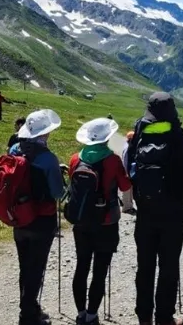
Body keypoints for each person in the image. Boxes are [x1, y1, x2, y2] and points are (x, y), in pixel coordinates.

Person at [125, 92, 183, 325]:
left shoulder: (140, 134)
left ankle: (144, 317)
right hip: (173, 212)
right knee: (168, 266)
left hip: (145, 211)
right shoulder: (181, 139)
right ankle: (164, 317)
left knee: (145, 266)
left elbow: (129, 166)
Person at [68, 118, 133, 325]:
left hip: (81, 222)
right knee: (100, 270)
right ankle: (92, 314)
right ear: (106, 139)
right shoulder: (113, 160)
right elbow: (125, 187)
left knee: (81, 266)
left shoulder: (75, 159)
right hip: (107, 221)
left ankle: (80, 313)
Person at [8, 109, 66, 325]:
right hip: (41, 221)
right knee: (37, 268)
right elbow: (58, 193)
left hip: (19, 218)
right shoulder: (48, 159)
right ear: (43, 135)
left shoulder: (15, 149)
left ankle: (30, 308)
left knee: (25, 266)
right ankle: (28, 316)